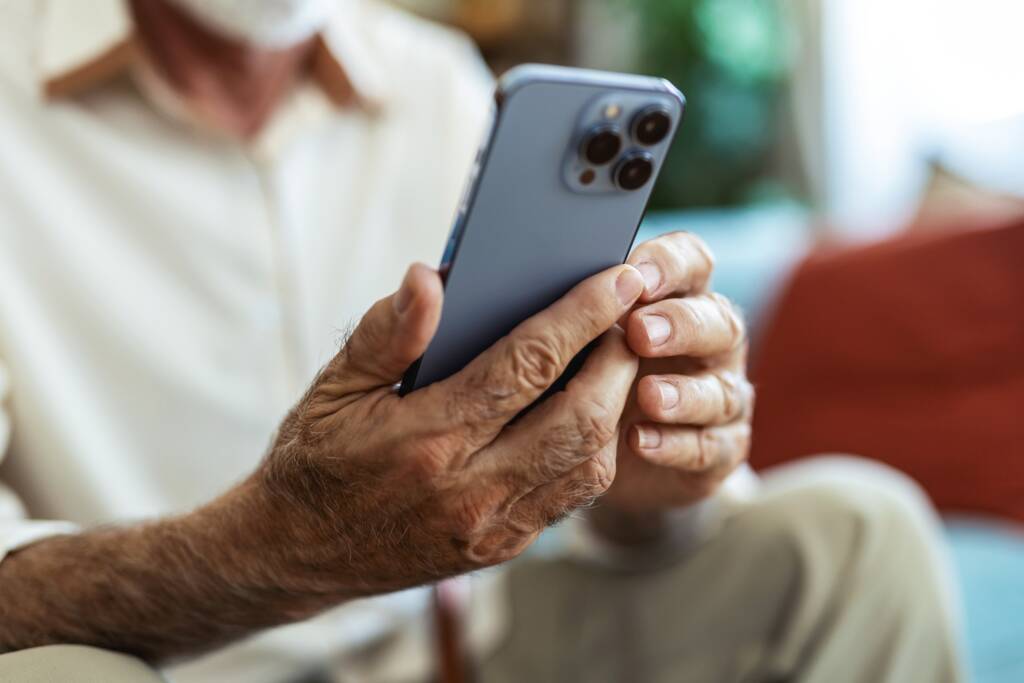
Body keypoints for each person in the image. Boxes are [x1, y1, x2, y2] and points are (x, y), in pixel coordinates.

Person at [0, 1, 964, 681]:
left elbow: (580, 516)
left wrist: (642, 482)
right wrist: (282, 550)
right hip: (147, 658)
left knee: (859, 534)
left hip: (473, 657)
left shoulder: (438, 88)